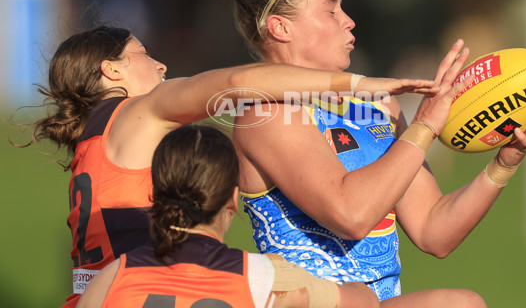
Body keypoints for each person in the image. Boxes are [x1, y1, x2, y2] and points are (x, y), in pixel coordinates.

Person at [197, 0, 526, 307]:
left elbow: (434, 231)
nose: (348, 21)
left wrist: (504, 163)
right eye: (331, 10)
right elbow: (350, 215)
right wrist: (424, 127)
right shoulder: (268, 113)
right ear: (281, 27)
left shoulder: (377, 106)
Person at [23, 25, 437, 307]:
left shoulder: (91, 143)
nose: (161, 66)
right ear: (111, 70)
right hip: (151, 291)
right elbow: (233, 84)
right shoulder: (140, 111)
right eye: (144, 55)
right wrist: (355, 84)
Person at [76, 124, 380, 308]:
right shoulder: (267, 276)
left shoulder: (113, 277)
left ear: (155, 193)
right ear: (232, 199)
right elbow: (363, 303)